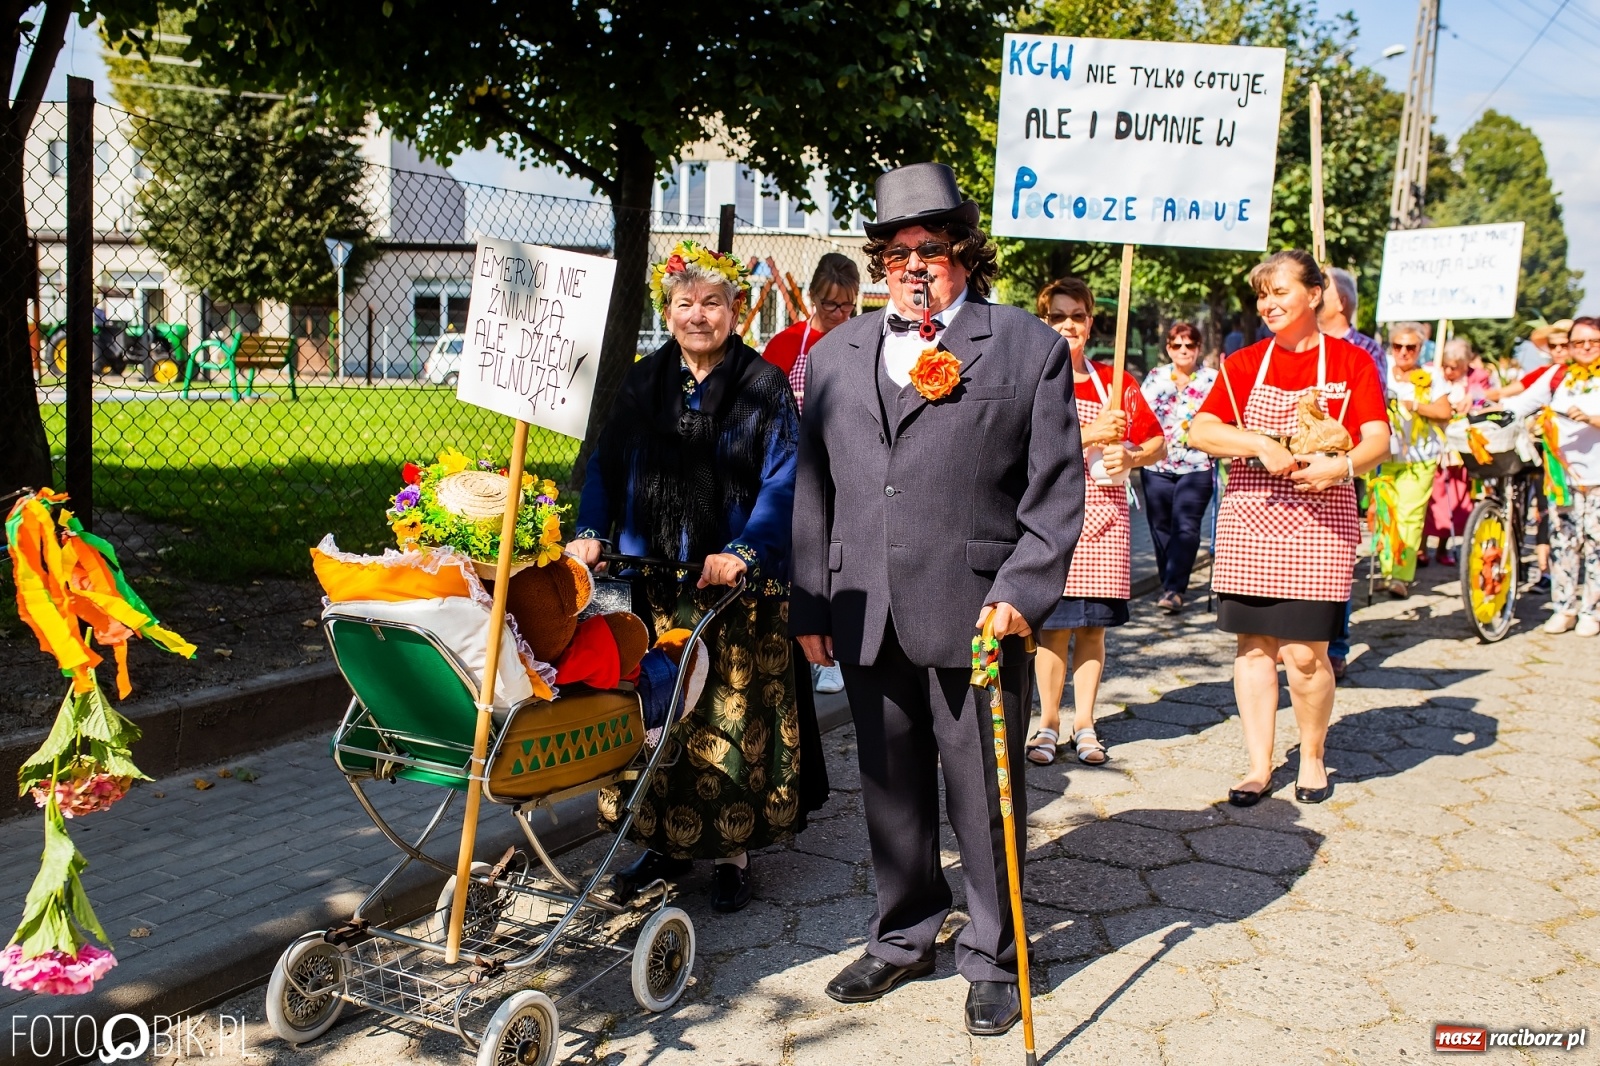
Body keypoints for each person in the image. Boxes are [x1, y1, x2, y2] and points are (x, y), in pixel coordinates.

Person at [791, 162, 1083, 1036]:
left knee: (983, 796)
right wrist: (811, 600)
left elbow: (1057, 486)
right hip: (865, 604)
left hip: (979, 611)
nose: (915, 263)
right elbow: (817, 486)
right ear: (879, 260)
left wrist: (1025, 591)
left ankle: (995, 952)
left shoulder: (1026, 344)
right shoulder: (834, 353)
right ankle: (902, 933)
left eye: (934, 246)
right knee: (890, 789)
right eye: (896, 250)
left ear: (965, 253)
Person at [570, 239, 817, 914]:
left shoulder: (762, 385)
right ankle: (661, 844)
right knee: (652, 716)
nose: (698, 315)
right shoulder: (644, 382)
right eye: (685, 303)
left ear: (736, 311)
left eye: (713, 302)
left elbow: (784, 481)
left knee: (725, 717)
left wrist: (744, 548)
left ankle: (733, 851)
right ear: (667, 309)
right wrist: (592, 531)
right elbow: (605, 466)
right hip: (651, 583)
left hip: (732, 588)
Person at [1187, 250, 1389, 807]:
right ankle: (1257, 765)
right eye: (1262, 295)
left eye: (1280, 292)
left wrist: (1341, 466)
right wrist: (1259, 443)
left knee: (1304, 654)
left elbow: (1377, 439)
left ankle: (1313, 755)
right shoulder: (1244, 363)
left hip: (1322, 520)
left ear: (1315, 293)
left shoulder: (1351, 362)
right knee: (1253, 649)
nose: (1268, 304)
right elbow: (1201, 430)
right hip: (1252, 518)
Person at [1023, 279, 1164, 769]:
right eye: (1059, 316)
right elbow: (1023, 447)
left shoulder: (1117, 380)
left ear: (1090, 321)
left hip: (1106, 521)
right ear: (1044, 322)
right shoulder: (1034, 378)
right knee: (1054, 632)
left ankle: (1084, 722)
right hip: (1053, 519)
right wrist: (1089, 434)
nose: (1069, 325)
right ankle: (1047, 723)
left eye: (1078, 316)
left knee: (1093, 631)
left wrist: (1132, 455)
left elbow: (1159, 443)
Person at [763, 253, 861, 697]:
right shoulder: (785, 346)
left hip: (846, 470)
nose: (839, 315)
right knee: (793, 564)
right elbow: (762, 411)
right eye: (830, 305)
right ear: (810, 299)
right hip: (791, 470)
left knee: (836, 564)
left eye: (847, 307)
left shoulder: (864, 344)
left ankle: (832, 655)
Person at [1502, 316, 1600, 635]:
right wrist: (1486, 410)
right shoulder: (1559, 377)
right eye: (1579, 342)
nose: (1586, 347)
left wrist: (1592, 418)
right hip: (1562, 479)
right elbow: (1522, 403)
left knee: (1596, 545)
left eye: (1594, 342)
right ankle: (1564, 607)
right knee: (1563, 543)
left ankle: (1591, 610)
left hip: (1598, 478)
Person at [1317, 266, 1386, 675]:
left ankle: (1336, 645)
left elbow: (1373, 407)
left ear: (1337, 300)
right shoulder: (1297, 345)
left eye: (1318, 289)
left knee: (1338, 557)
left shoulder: (1364, 350)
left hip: (1348, 464)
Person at [1372, 323, 1456, 598]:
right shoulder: (1381, 371)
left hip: (1420, 458)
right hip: (1385, 454)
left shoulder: (1430, 376)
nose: (1404, 352)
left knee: (1409, 516)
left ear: (1420, 349)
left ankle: (1401, 575)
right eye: (1398, 346)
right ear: (1391, 347)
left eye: (1411, 347)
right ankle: (1387, 571)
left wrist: (1415, 406)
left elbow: (1445, 412)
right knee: (1386, 515)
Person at [1141, 321, 1219, 613]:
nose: (1183, 350)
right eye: (1177, 345)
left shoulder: (1212, 379)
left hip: (1197, 465)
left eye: (1190, 345)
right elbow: (1141, 417)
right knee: (1160, 527)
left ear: (1198, 348)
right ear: (1168, 348)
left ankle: (1175, 589)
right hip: (1157, 464)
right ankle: (1168, 581)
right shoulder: (1155, 378)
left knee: (1186, 527)